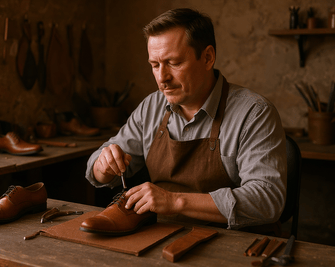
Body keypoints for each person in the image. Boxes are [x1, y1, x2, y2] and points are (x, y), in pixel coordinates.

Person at [85, 8, 286, 230]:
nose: (162, 78)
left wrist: (174, 201)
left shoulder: (254, 113)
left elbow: (268, 200)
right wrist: (103, 166)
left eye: (174, 63)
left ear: (208, 57)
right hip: (163, 233)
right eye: (154, 65)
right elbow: (95, 169)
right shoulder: (152, 107)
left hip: (233, 242)